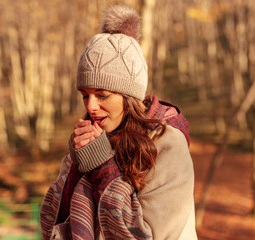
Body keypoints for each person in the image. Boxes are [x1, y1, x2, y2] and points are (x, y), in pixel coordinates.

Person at [40, 5, 197, 240]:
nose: (90, 106)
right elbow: (52, 226)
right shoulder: (90, 138)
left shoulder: (168, 144)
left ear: (129, 97)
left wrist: (103, 166)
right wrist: (77, 166)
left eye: (102, 95)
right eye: (85, 94)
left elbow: (151, 236)